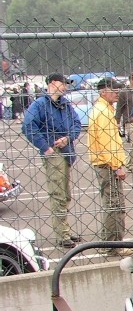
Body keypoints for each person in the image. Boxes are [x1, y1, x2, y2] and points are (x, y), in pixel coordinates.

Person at [22, 73, 83, 247]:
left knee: (65, 194)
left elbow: (77, 124)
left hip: (67, 150)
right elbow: (28, 126)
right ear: (53, 83)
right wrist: (45, 146)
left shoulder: (65, 105)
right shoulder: (40, 104)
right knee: (58, 194)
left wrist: (68, 138)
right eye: (63, 83)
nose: (65, 87)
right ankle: (62, 234)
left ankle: (65, 230)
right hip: (54, 151)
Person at [86, 78, 131, 255]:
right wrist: (117, 165)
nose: (117, 92)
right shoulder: (103, 112)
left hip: (105, 163)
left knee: (111, 204)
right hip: (108, 165)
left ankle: (109, 242)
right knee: (115, 205)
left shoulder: (102, 109)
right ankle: (114, 246)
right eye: (113, 89)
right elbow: (108, 143)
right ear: (103, 91)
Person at [116, 72, 133, 167]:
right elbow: (119, 108)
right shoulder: (124, 92)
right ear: (131, 80)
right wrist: (117, 122)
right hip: (130, 121)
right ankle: (132, 164)